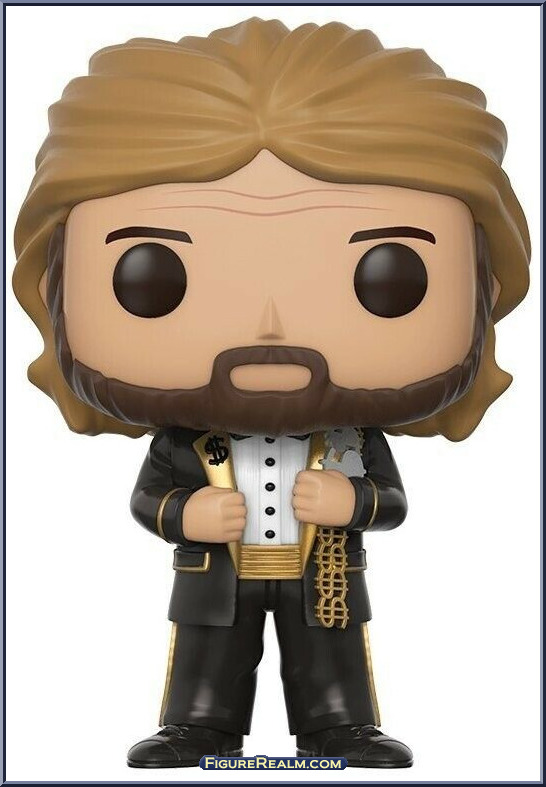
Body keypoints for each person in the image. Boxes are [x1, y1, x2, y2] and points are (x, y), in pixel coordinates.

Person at [13, 18, 530, 769]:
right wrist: (185, 513)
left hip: (325, 576)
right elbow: (149, 499)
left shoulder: (351, 439)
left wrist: (353, 503)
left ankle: (341, 724)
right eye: (152, 276)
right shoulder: (183, 441)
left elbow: (389, 500)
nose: (269, 325)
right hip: (215, 578)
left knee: (330, 653)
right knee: (208, 653)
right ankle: (198, 724)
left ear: (486, 281)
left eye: (389, 277)